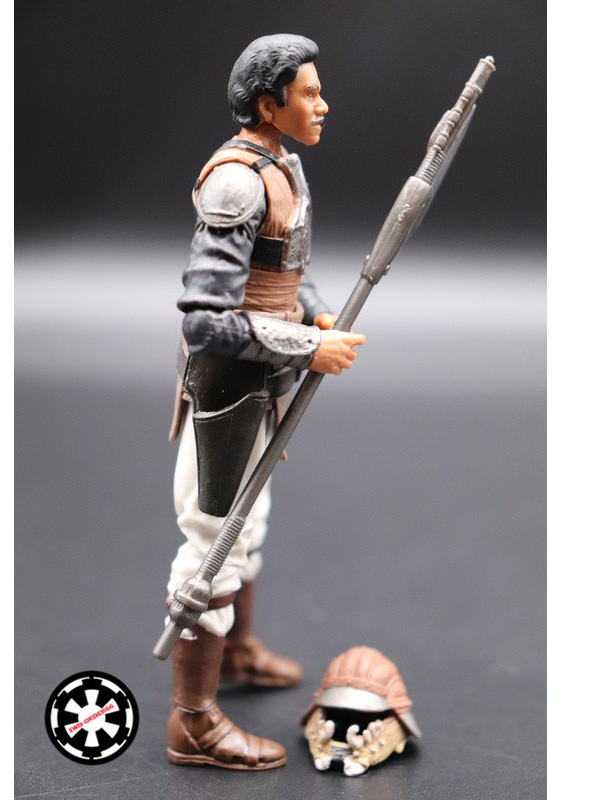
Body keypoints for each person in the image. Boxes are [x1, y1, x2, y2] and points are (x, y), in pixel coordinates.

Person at [165, 34, 365, 770]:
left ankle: (238, 649)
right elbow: (206, 321)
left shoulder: (283, 167)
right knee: (212, 541)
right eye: (308, 93)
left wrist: (314, 312)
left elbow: (282, 268)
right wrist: (309, 346)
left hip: (264, 381)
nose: (322, 104)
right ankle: (192, 721)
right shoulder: (236, 183)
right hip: (227, 387)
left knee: (248, 525)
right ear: (267, 103)